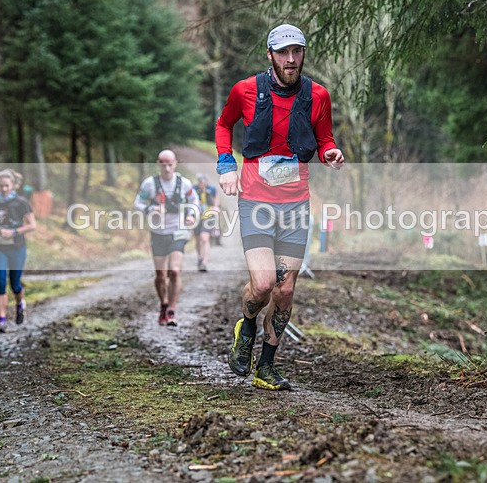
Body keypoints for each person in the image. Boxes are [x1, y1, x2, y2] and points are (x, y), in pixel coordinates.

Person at [215, 23, 345, 390]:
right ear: (270, 55)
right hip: (255, 200)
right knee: (263, 284)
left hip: (295, 206)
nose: (291, 59)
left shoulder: (318, 95)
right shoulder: (245, 90)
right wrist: (226, 166)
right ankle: (247, 325)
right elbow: (224, 126)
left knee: (285, 291)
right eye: (284, 52)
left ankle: (266, 368)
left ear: (303, 53)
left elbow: (325, 138)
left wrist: (330, 152)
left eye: (297, 51)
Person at [134, 149, 199, 327]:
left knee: (175, 271)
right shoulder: (150, 184)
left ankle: (171, 309)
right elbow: (138, 203)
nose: (167, 168)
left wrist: (191, 215)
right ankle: (163, 304)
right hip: (158, 232)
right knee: (161, 275)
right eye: (163, 163)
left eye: (170, 164)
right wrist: (149, 210)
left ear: (175, 163)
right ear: (158, 163)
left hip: (178, 230)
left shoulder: (184, 183)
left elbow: (195, 201)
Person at [0, 169, 36, 333]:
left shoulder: (21, 203)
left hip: (16, 247)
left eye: (7, 186)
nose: (4, 189)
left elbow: (32, 225)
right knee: (0, 282)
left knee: (15, 284)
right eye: (1, 186)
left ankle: (20, 304)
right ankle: (2, 320)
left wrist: (14, 232)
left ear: (13, 185)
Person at [193, 173, 219, 272]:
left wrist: (216, 207)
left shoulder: (211, 189)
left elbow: (216, 198)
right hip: (196, 216)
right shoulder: (193, 189)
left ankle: (204, 261)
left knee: (205, 238)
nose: (202, 183)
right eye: (200, 181)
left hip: (208, 216)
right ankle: (200, 256)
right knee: (197, 239)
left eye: (203, 181)